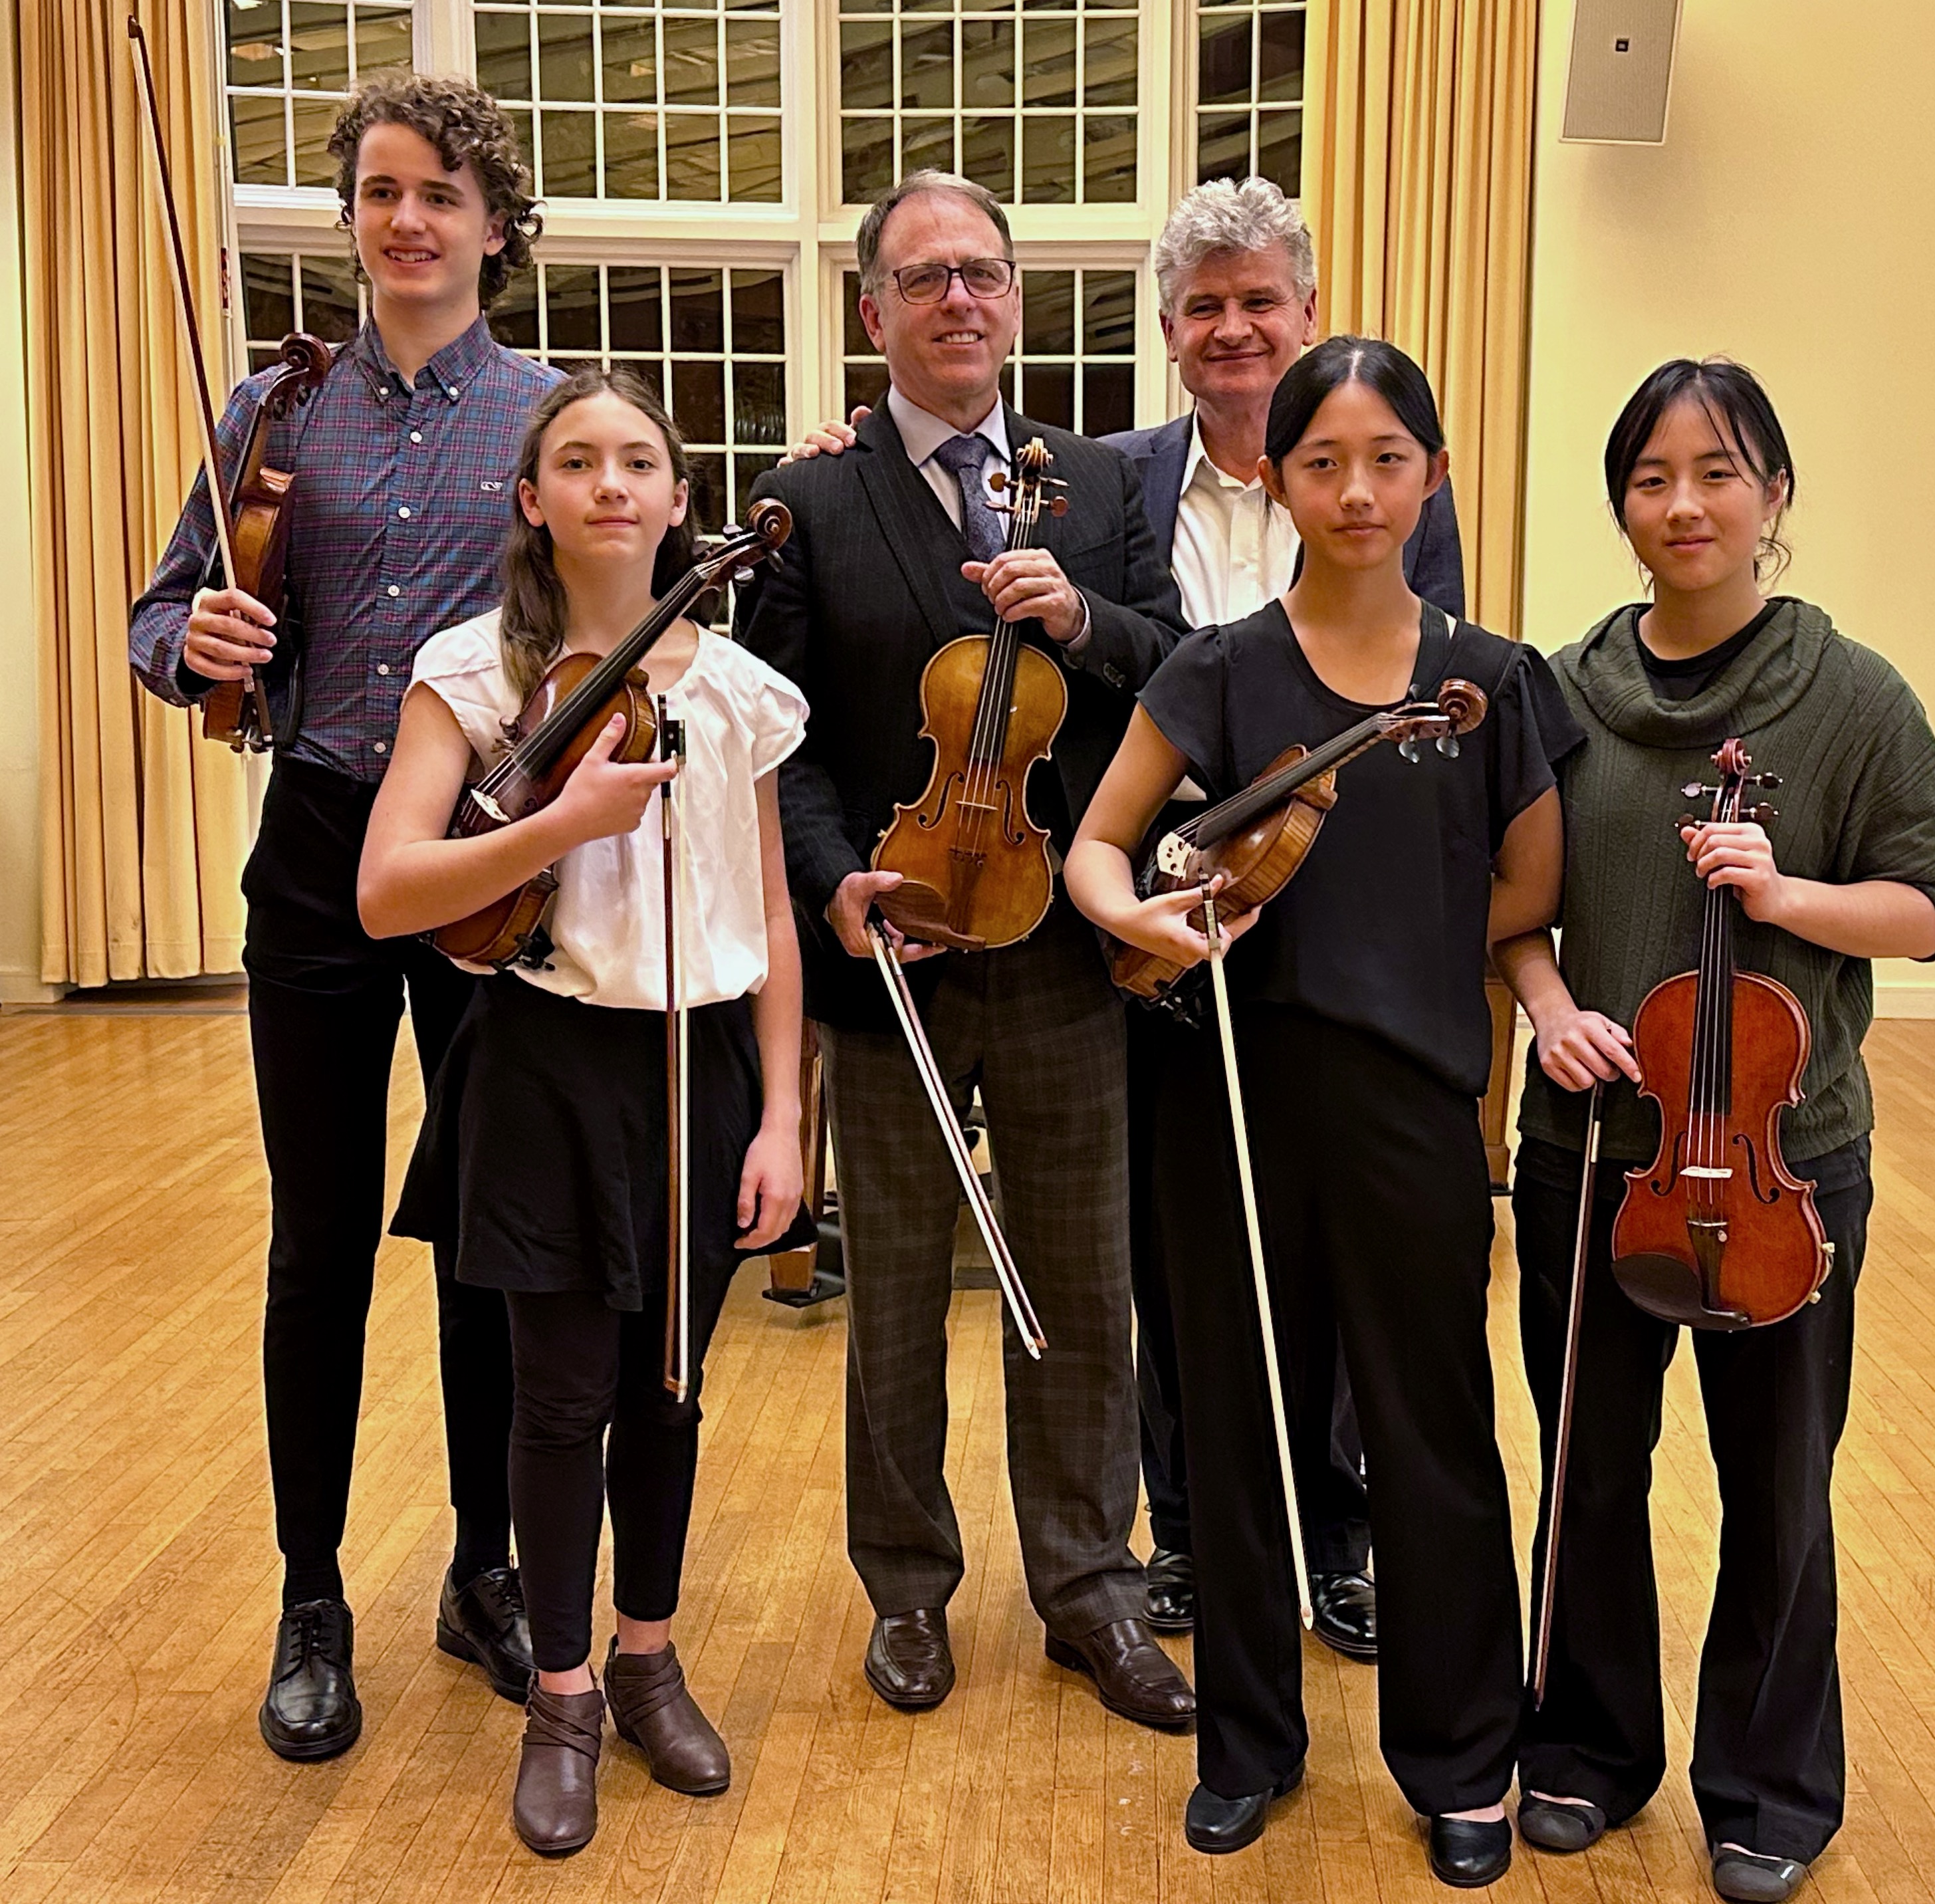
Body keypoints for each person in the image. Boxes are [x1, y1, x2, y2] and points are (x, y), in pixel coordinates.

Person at [1066, 336, 1577, 1885]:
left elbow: (1528, 893)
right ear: (1276, 479)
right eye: (1321, 462)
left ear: (1431, 475)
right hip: (1231, 1095)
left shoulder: (1488, 682)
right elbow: (1096, 847)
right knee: (1234, 1428)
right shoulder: (1217, 666)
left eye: (1388, 459)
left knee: (1433, 1434)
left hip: (1416, 1107)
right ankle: (1249, 1744)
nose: (1357, 491)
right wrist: (1141, 919)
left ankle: (1461, 1756)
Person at [1495, 358, 1935, 1904]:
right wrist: (1545, 999)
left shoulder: (1853, 698)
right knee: (1587, 1463)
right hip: (1593, 1152)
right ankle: (1582, 1749)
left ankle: (1767, 1785)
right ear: (1620, 503)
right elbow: (1510, 910)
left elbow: (1925, 906)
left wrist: (1786, 899)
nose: (1684, 503)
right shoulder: (1562, 691)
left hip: (1786, 1158)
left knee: (1779, 1479)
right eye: (1652, 475)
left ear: (1773, 495)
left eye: (1718, 471)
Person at [734, 170, 1195, 1732]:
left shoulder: (1096, 484)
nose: (959, 300)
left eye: (983, 274)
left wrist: (1086, 625)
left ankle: (1089, 1586)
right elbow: (778, 743)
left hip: (1067, 948)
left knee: (1081, 1278)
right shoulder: (810, 497)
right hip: (899, 953)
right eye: (923, 277)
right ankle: (910, 1589)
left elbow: (1174, 678)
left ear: (1015, 298)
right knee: (899, 1295)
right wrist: (835, 886)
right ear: (872, 310)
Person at [128, 75, 555, 1760]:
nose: (407, 220)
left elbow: (609, 580)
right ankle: (315, 1594)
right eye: (380, 191)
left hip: (479, 854)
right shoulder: (272, 411)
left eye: (440, 194)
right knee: (317, 1243)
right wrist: (197, 650)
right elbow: (170, 608)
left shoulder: (544, 414)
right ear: (356, 217)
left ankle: (484, 1570)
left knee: (480, 1238)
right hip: (316, 838)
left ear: (493, 226)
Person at [359, 368, 813, 1856]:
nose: (612, 482)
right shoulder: (476, 669)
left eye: (640, 461)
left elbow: (772, 918)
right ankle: (559, 1695)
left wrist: (784, 1116)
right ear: (533, 498)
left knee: (669, 1384)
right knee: (558, 1396)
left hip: (702, 1068)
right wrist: (560, 823)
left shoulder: (733, 689)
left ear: (681, 500)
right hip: (546, 1062)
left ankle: (646, 1654)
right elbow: (386, 890)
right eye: (578, 460)